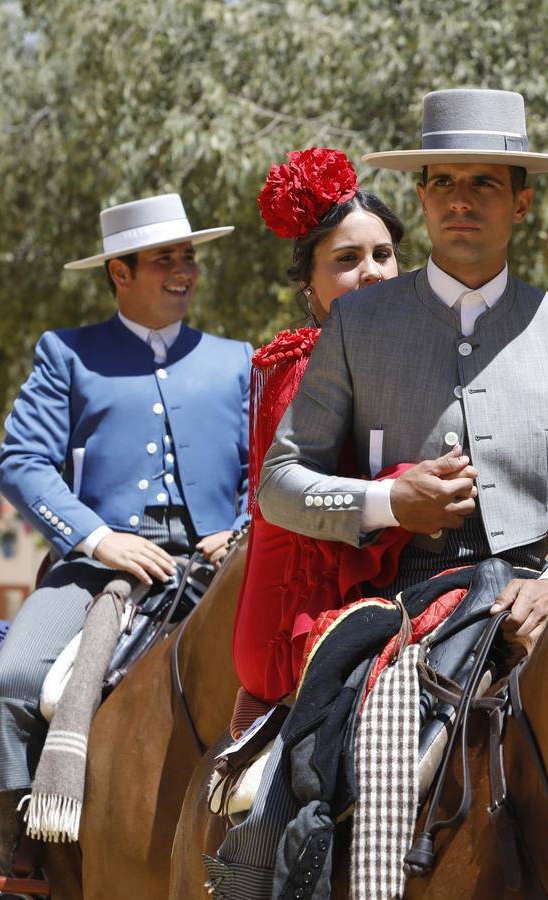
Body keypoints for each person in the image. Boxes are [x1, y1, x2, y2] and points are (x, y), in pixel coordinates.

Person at [208, 87, 548, 898]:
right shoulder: (361, 325)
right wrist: (392, 506)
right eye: (443, 181)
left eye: (486, 183)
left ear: (522, 201)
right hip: (404, 600)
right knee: (337, 770)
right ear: (423, 196)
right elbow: (281, 485)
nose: (461, 199)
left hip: (545, 593)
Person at [0, 193, 252, 899]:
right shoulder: (66, 354)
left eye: (188, 257)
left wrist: (242, 528)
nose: (184, 271)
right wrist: (100, 539)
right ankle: (19, 874)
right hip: (99, 571)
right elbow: (22, 463)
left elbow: (269, 466)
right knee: (9, 686)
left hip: (219, 566)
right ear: (119, 273)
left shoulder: (237, 361)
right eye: (165, 260)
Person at [231, 147, 408, 706]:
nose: (373, 272)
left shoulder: (406, 354)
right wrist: (406, 490)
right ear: (308, 283)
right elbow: (291, 493)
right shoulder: (303, 368)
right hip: (298, 626)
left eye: (383, 253)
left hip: (382, 591)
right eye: (347, 259)